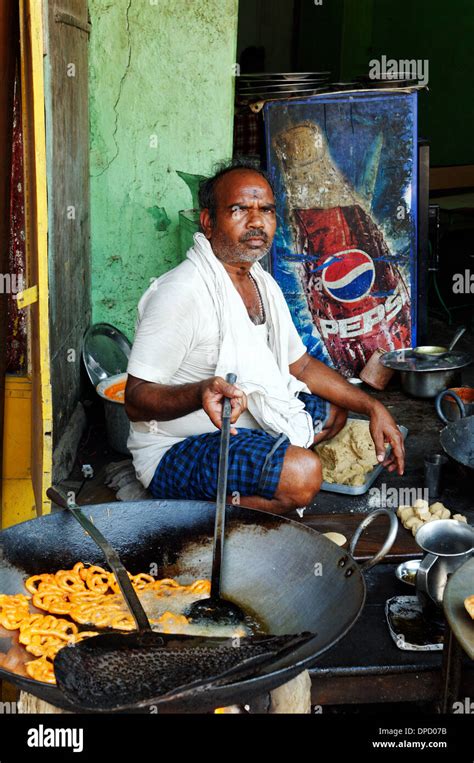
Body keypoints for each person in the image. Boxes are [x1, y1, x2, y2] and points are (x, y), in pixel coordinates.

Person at [125, 162, 405, 514]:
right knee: (303, 474)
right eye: (239, 209)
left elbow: (300, 365)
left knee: (337, 408)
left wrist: (372, 406)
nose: (256, 222)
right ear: (208, 222)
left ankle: (266, 458)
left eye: (266, 210)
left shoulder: (262, 283)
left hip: (251, 421)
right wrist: (200, 393)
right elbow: (134, 400)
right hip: (178, 448)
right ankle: (198, 515)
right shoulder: (181, 293)